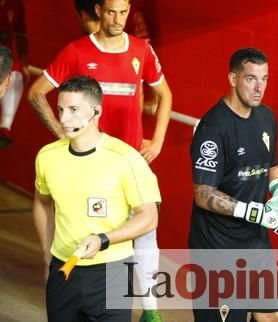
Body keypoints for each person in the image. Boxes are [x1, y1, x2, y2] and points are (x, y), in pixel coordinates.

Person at [28, 1, 171, 321]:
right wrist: (65, 136)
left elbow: (166, 95)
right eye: (111, 12)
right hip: (89, 162)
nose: (118, 19)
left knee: (146, 231)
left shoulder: (142, 50)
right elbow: (36, 93)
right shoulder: (75, 52)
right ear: (98, 10)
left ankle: (150, 309)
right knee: (83, 230)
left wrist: (158, 140)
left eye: (123, 12)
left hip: (130, 158)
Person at [189, 47, 278, 322]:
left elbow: (271, 166)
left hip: (255, 241)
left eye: (265, 79)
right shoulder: (213, 129)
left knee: (270, 316)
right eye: (251, 79)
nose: (259, 87)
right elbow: (203, 194)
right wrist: (257, 213)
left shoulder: (266, 117)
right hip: (217, 246)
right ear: (233, 79)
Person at [32, 75, 160, 322]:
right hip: (63, 270)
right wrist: (48, 257)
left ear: (96, 111)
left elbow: (149, 217)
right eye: (60, 109)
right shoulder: (47, 157)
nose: (63, 118)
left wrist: (104, 239)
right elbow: (42, 202)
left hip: (111, 274)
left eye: (73, 110)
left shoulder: (126, 159)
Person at [0, 0, 29, 147]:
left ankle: (4, 129)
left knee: (16, 73)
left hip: (4, 55)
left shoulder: (16, 4)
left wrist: (24, 65)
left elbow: (21, 37)